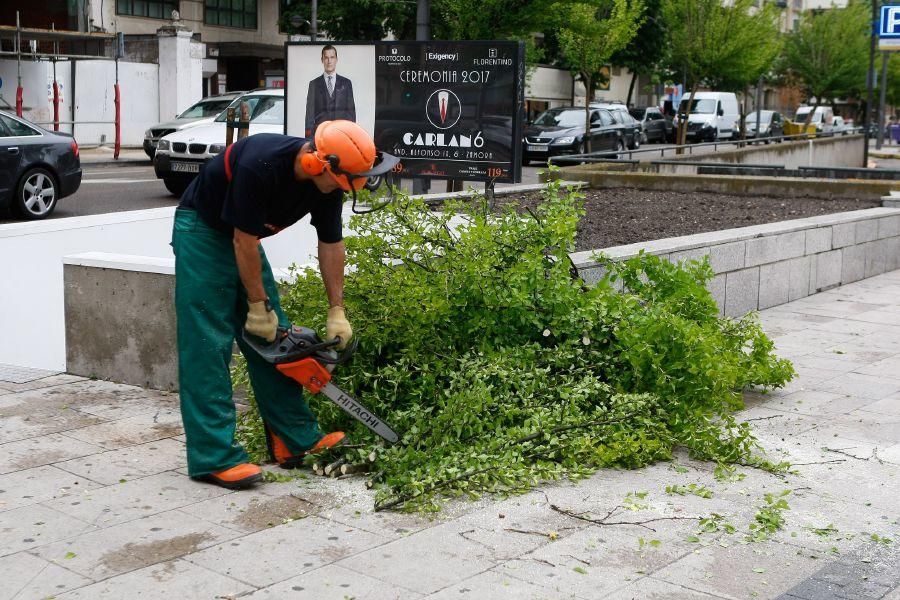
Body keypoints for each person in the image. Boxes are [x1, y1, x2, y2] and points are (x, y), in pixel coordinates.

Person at [171, 120, 392, 490]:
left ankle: (294, 439)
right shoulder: (260, 165)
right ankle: (214, 456)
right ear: (315, 164)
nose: (347, 189)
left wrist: (337, 309)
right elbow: (243, 240)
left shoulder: (331, 182)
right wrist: (257, 306)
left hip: (244, 241)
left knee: (278, 342)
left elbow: (331, 244)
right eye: (345, 182)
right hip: (204, 231)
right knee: (207, 343)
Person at [305, 45, 356, 137]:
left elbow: (351, 114)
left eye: (332, 57)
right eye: (326, 58)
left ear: (336, 59)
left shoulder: (346, 83)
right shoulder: (314, 84)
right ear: (322, 60)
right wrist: (309, 141)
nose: (329, 61)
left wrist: (350, 137)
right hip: (321, 136)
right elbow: (309, 115)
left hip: (341, 136)